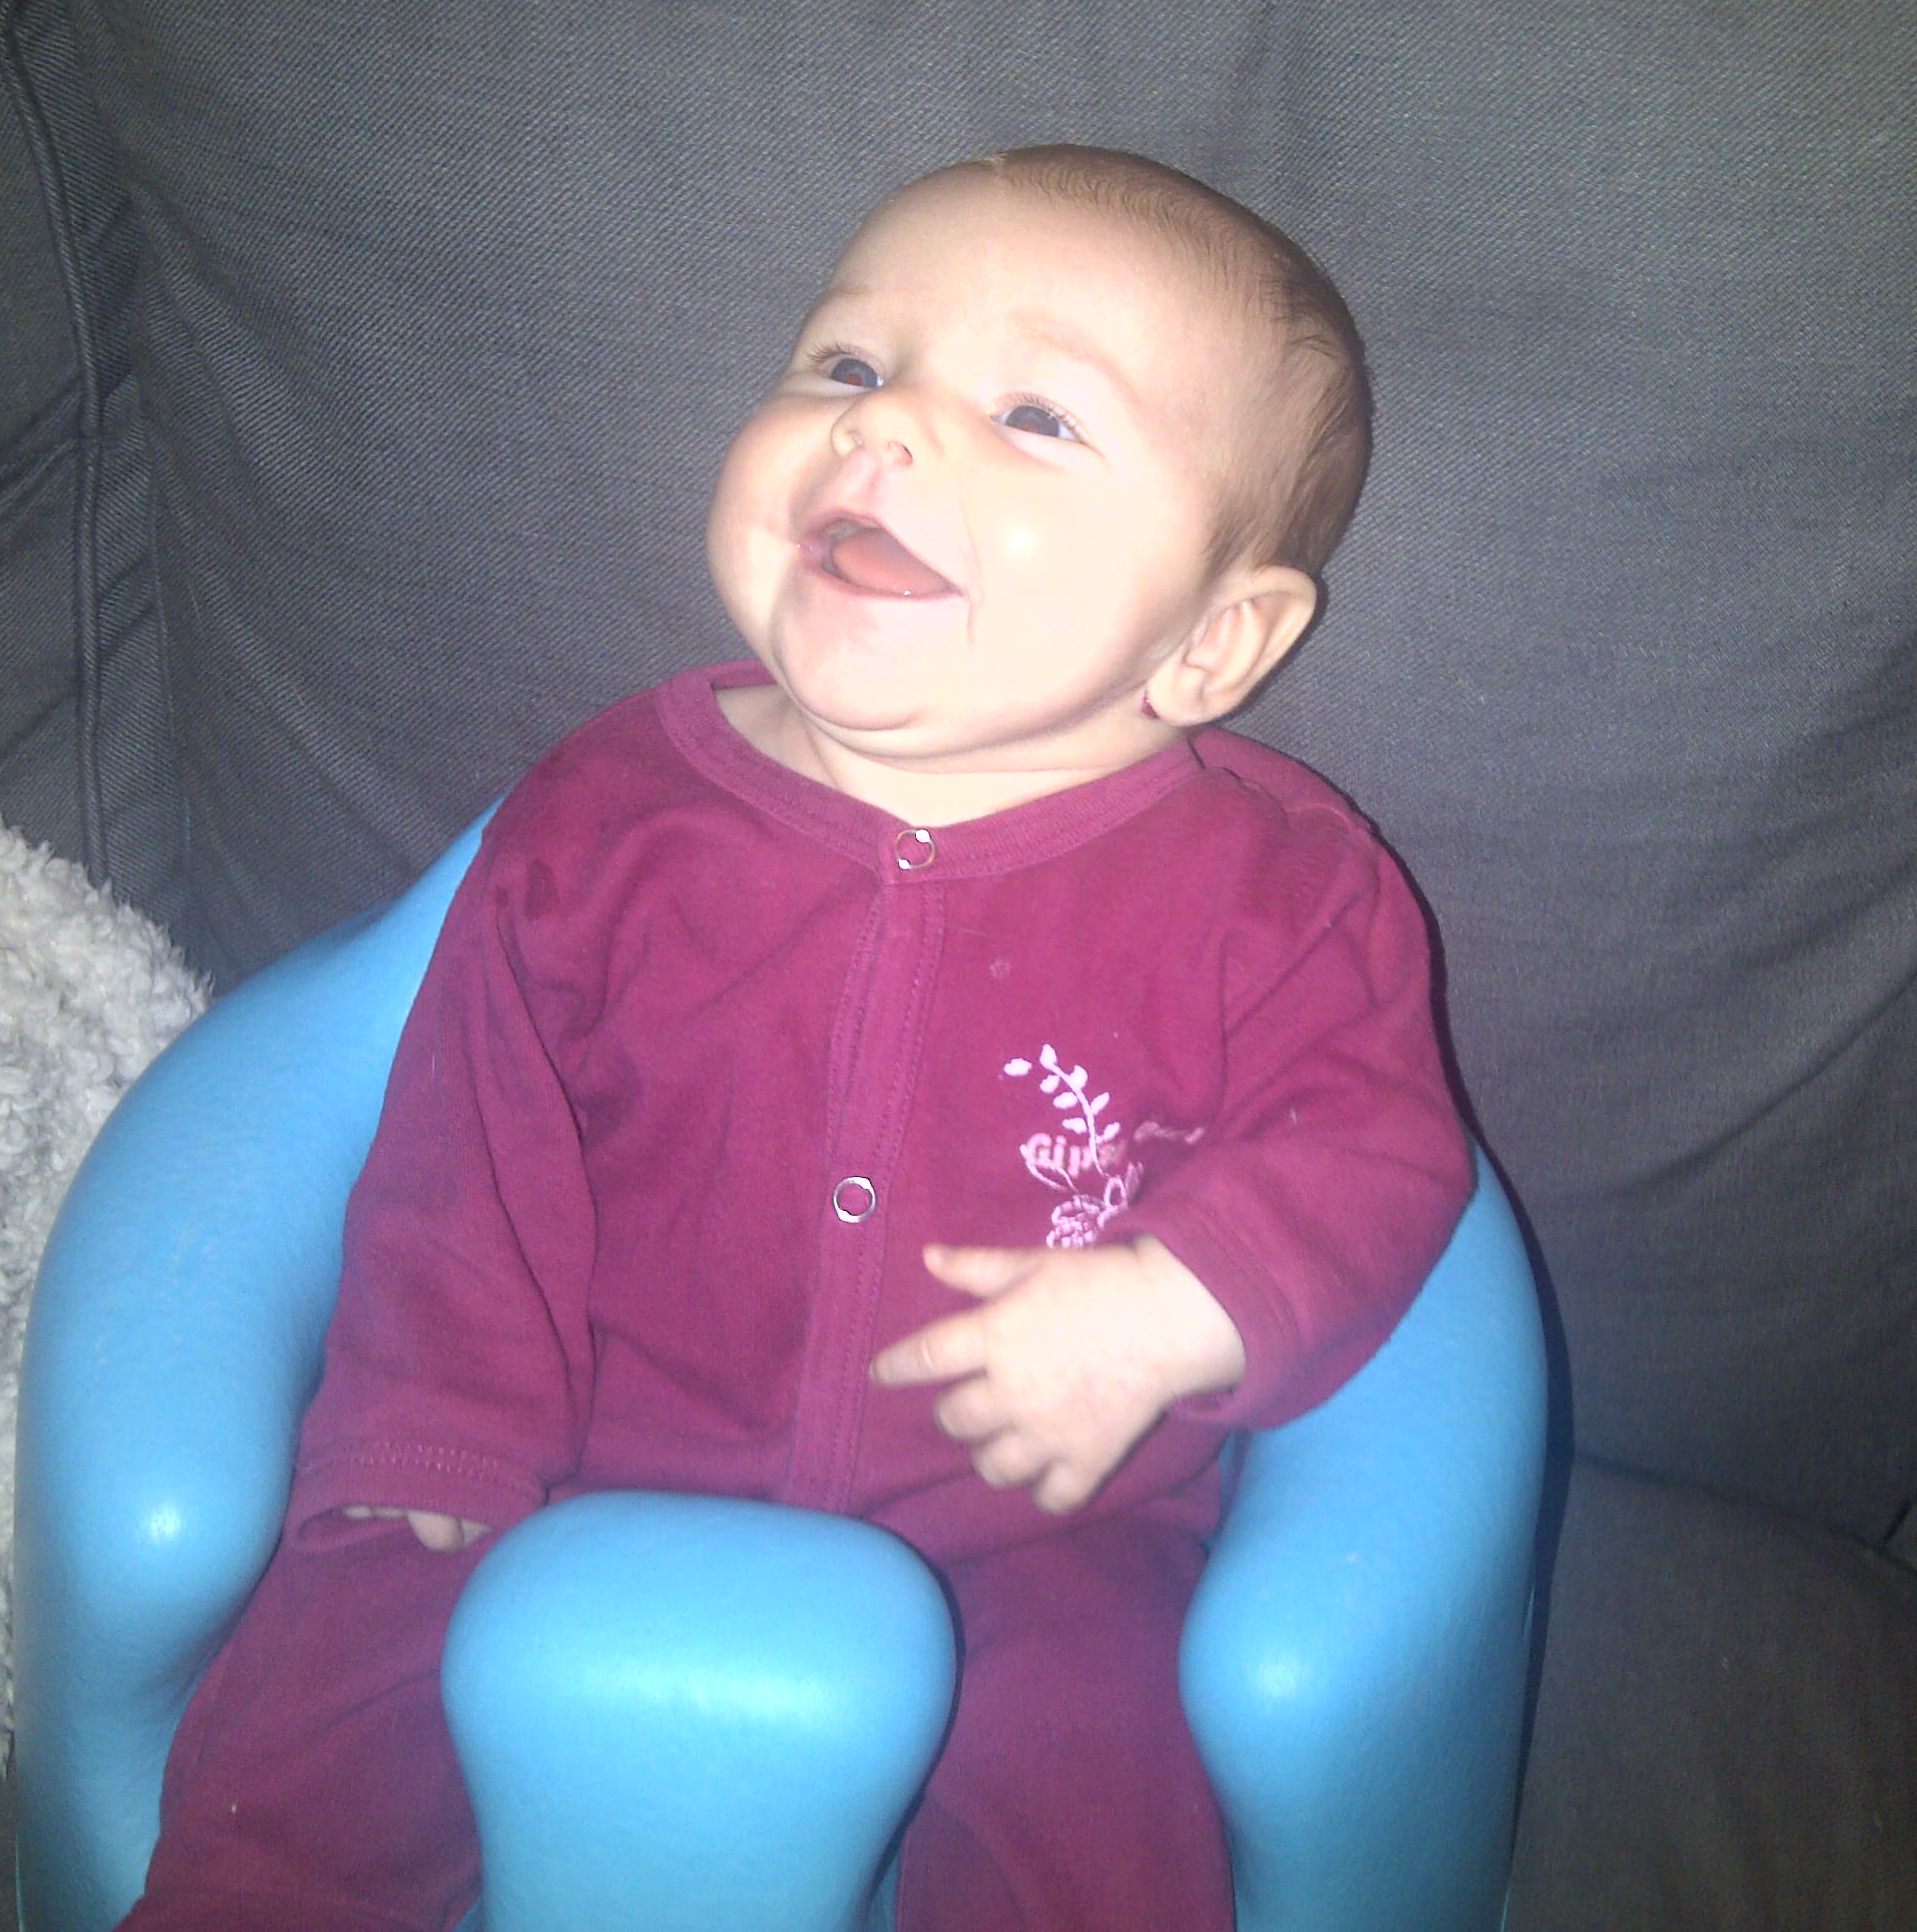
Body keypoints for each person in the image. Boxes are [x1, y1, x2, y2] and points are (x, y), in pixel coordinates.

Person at [117, 144, 1471, 1932]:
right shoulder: (606, 816)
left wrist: (1175, 1307)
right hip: (571, 1464)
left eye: (1036, 416)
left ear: (1217, 640)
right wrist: (438, 1438)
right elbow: (469, 1148)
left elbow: (1376, 1147)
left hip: (1035, 1532)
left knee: (1098, 1813)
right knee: (313, 1741)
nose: (882, 425)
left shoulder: (1283, 894)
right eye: (847, 362)